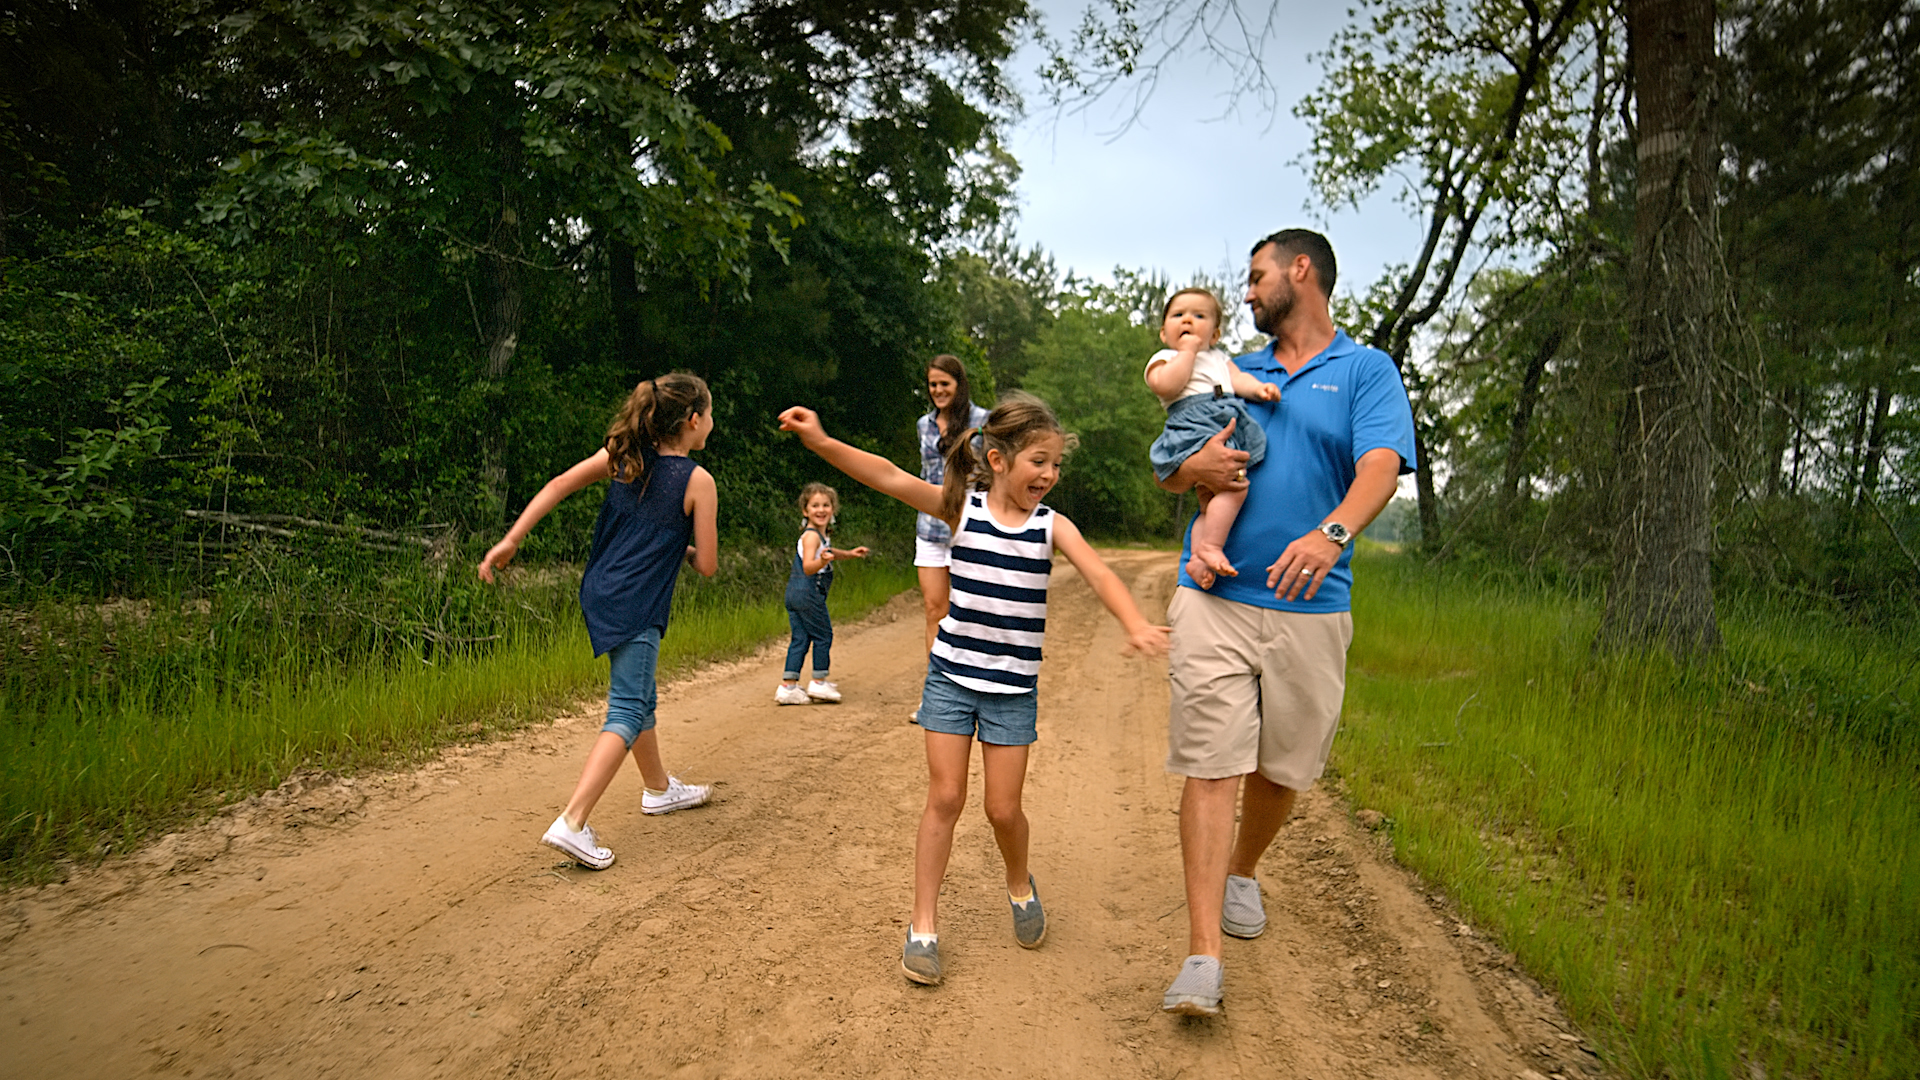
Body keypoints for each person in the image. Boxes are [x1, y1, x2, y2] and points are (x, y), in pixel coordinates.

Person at [777, 393, 1170, 987]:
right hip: (951, 677)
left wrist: (1136, 623)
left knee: (1002, 809)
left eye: (1056, 464)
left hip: (1013, 690)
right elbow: (888, 477)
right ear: (998, 458)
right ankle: (923, 927)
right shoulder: (962, 509)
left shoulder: (1051, 525)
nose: (1050, 474)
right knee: (946, 798)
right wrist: (823, 442)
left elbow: (1099, 573)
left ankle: (1019, 883)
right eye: (1039, 460)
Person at [1155, 230, 1416, 1016]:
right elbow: (1172, 459)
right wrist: (1186, 473)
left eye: (1257, 275)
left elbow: (1380, 467)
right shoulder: (1234, 369)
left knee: (1283, 767)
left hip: (1313, 609)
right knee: (1211, 764)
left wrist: (1331, 532)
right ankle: (1202, 956)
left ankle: (1244, 868)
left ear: (1301, 271)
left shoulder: (1365, 370)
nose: (1246, 291)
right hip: (1214, 602)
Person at [477, 373, 720, 871]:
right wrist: (686, 548)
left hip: (601, 589)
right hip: (638, 602)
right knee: (628, 709)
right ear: (693, 421)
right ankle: (572, 821)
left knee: (639, 692)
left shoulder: (623, 457)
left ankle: (658, 789)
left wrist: (512, 539)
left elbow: (560, 484)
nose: (711, 424)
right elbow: (709, 565)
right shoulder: (698, 481)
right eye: (710, 416)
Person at [1144, 286, 1281, 590]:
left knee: (1210, 501)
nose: (1188, 321)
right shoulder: (1164, 358)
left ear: (1215, 335)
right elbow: (1167, 386)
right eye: (1178, 315)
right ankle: (1211, 547)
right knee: (1235, 487)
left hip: (1224, 417)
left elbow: (1238, 380)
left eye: (1199, 316)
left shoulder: (1220, 358)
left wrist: (1259, 389)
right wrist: (1188, 352)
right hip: (1193, 423)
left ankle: (1197, 558)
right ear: (1164, 333)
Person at [914, 357, 993, 674]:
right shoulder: (924, 424)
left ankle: (972, 682)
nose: (938, 390)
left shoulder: (984, 421)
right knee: (935, 609)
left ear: (959, 384)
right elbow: (925, 472)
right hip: (930, 529)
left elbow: (993, 472)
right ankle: (936, 693)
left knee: (972, 612)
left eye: (944, 384)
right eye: (933, 384)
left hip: (970, 527)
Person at [775, 482, 869, 705]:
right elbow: (809, 566)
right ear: (805, 511)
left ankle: (789, 687)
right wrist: (822, 561)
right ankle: (819, 681)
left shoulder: (819, 536)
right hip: (808, 593)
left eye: (826, 505)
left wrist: (850, 554)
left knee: (800, 638)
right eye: (815, 505)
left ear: (833, 509)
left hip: (794, 593)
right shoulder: (811, 537)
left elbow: (829, 552)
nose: (821, 510)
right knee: (823, 635)